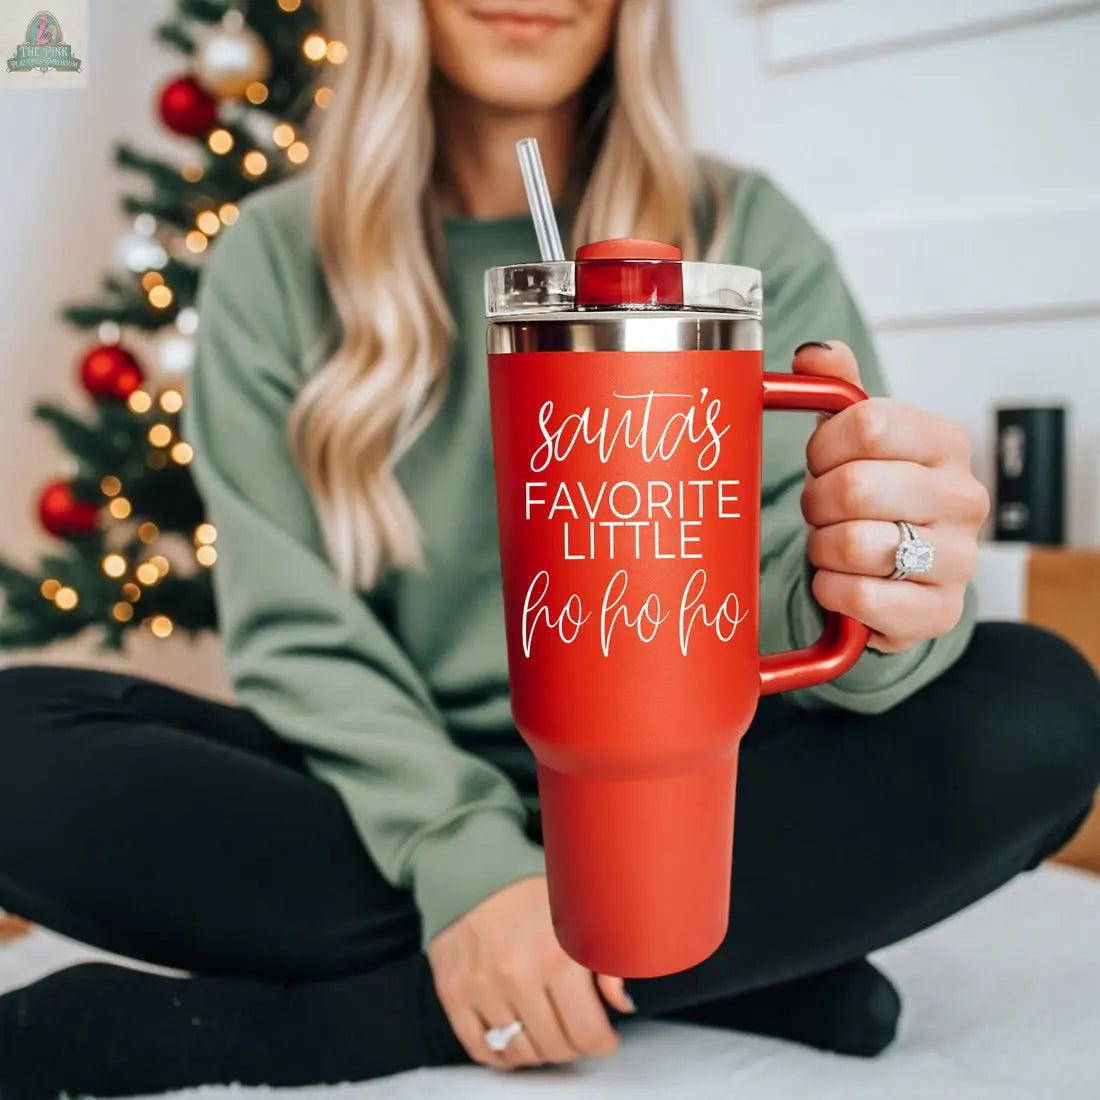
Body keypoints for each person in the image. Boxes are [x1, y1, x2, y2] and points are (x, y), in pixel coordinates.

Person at [1, 1, 1097, 1096]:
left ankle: (333, 1022)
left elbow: (780, 579)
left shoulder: (740, 231)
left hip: (685, 787)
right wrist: (468, 860)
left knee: (1037, 706)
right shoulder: (276, 261)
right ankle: (718, 962)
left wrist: (873, 589)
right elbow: (302, 634)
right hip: (392, 793)